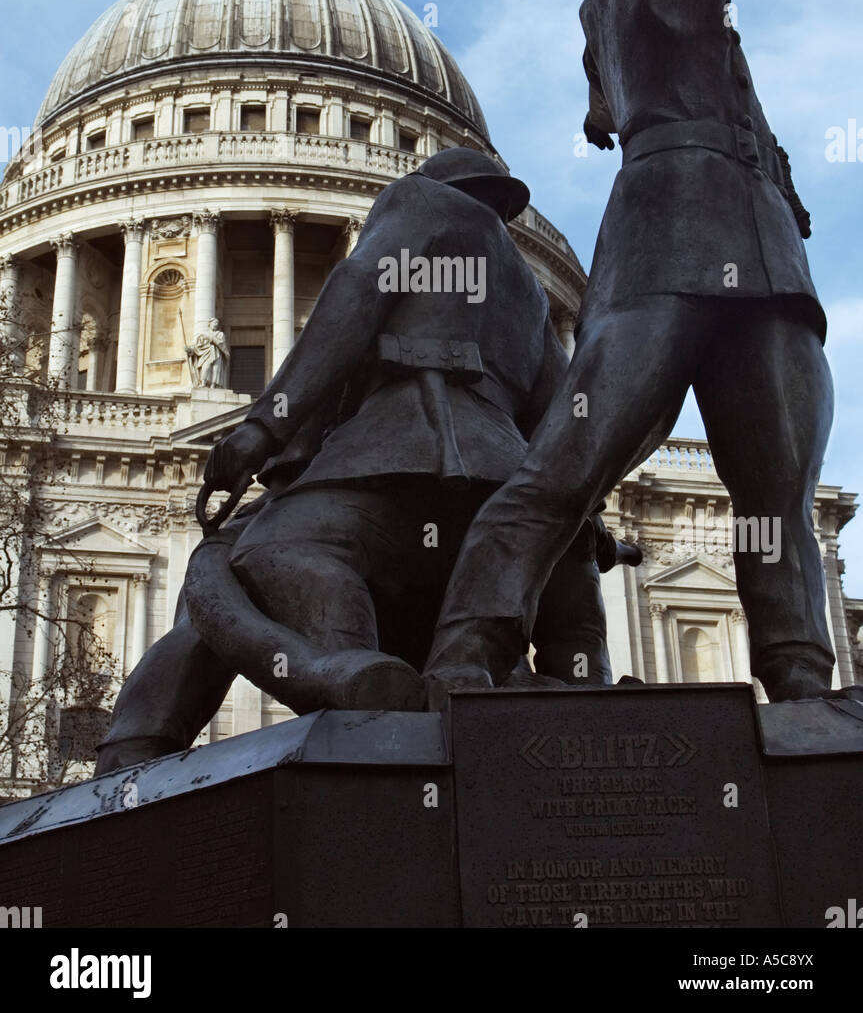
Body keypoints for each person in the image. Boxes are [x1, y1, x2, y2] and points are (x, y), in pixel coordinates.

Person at [423, 0, 838, 704]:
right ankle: (463, 652)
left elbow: (600, 110)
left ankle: (800, 680)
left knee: (773, 493)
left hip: (756, 246)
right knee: (571, 462)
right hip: (673, 235)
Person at [95, 148, 636, 772]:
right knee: (549, 624)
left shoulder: (421, 202)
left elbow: (353, 299)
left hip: (402, 457)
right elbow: (563, 409)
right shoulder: (526, 292)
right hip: (510, 489)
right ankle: (564, 701)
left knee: (241, 561)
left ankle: (143, 757)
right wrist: (581, 511)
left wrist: (263, 428)